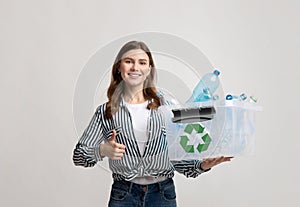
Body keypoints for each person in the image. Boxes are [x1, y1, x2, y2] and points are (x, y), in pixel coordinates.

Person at [73, 40, 233, 207]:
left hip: (162, 195)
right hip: (123, 195)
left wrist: (201, 165)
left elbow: (176, 154)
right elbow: (79, 157)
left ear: (149, 69)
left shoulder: (167, 106)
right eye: (129, 61)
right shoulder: (105, 112)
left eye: (142, 63)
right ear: (119, 68)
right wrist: (102, 149)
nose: (135, 68)